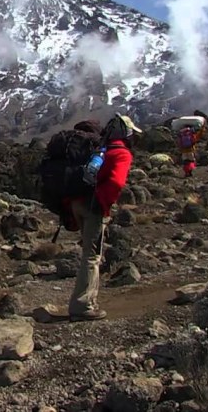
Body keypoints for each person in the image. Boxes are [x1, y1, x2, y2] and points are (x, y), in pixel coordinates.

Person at [67, 115, 141, 322]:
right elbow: (116, 183)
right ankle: (83, 305)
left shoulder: (99, 148)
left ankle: (84, 299)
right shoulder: (121, 153)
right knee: (92, 256)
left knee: (88, 252)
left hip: (77, 203)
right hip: (93, 207)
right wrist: (103, 204)